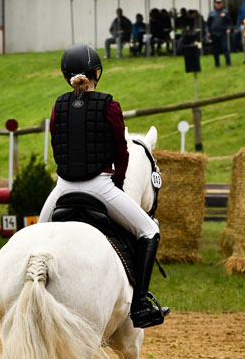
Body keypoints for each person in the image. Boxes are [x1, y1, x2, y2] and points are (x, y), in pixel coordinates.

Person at [38, 43, 169, 328]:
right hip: (100, 186)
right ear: (97, 72)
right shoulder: (109, 105)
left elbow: (56, 147)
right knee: (149, 230)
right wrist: (119, 183)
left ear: (65, 76)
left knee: (36, 236)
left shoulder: (57, 106)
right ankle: (140, 305)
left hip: (62, 188)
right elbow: (122, 152)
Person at [206, 0, 232, 67]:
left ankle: (228, 62)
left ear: (222, 4)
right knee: (215, 49)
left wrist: (229, 29)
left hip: (223, 33)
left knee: (225, 48)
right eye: (217, 3)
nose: (218, 4)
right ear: (215, 4)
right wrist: (208, 32)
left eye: (219, 3)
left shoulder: (225, 12)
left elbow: (229, 22)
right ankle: (217, 63)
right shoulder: (211, 12)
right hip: (214, 33)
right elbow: (208, 24)